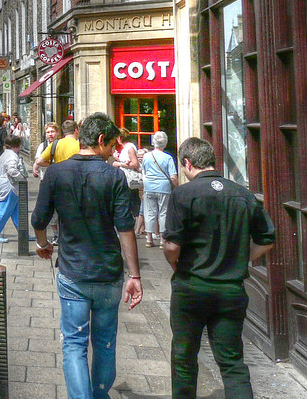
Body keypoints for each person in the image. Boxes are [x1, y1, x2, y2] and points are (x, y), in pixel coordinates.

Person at [31, 112, 142, 399]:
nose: (114, 152)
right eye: (112, 145)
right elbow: (125, 228)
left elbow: (39, 219)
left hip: (73, 273)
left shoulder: (56, 173)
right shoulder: (114, 176)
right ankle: (100, 394)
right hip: (108, 274)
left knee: (74, 344)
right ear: (101, 140)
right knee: (105, 342)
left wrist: (43, 245)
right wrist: (135, 275)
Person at [163, 137, 275, 399]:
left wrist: (174, 263)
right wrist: (240, 257)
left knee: (184, 357)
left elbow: (171, 245)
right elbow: (267, 240)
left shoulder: (183, 194)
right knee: (232, 362)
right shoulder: (243, 194)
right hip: (230, 290)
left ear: (187, 163)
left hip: (191, 287)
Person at [141, 130, 178, 248]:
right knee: (163, 213)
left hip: (149, 187)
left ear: (153, 142)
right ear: (165, 143)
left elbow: (144, 172)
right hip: (164, 187)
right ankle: (162, 240)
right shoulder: (168, 158)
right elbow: (173, 177)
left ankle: (149, 239)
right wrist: (176, 187)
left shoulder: (146, 156)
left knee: (149, 212)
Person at [0, 136, 27, 242]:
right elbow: (12, 170)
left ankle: (23, 234)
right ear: (17, 145)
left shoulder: (4, 154)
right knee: (3, 209)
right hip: (9, 186)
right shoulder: (12, 156)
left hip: (5, 185)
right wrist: (22, 178)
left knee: (16, 212)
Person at [111, 129, 142, 232]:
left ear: (120, 137)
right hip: (125, 179)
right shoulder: (125, 148)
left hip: (130, 180)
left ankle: (136, 228)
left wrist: (119, 164)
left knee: (132, 202)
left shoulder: (130, 147)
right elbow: (126, 163)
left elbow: (135, 164)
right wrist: (117, 159)